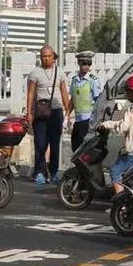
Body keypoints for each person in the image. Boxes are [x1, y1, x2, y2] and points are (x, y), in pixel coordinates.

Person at [26, 45, 70, 185]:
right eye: (43, 56)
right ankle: (39, 172)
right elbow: (31, 94)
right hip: (41, 111)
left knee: (55, 144)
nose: (46, 58)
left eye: (48, 56)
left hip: (56, 112)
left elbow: (64, 93)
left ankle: (54, 171)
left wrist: (68, 113)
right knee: (40, 144)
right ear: (40, 57)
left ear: (53, 57)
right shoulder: (35, 73)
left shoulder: (60, 73)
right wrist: (29, 112)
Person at [66, 51, 102, 152]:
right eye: (84, 64)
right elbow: (73, 99)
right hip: (78, 120)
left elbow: (98, 100)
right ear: (79, 63)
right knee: (75, 147)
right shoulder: (74, 80)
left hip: (88, 120)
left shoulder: (93, 80)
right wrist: (67, 115)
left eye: (88, 64)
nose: (86, 66)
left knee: (84, 150)